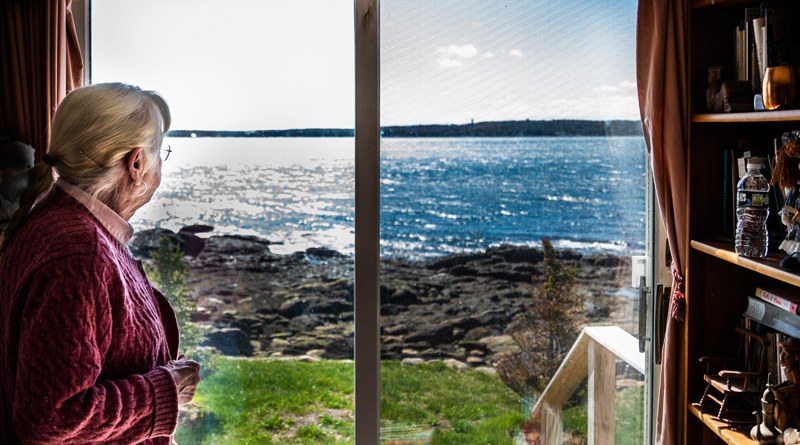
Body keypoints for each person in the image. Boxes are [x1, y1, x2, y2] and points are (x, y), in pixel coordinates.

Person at [0, 83, 200, 444]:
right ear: (136, 164)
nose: (159, 165)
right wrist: (165, 389)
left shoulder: (57, 221)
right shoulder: (79, 253)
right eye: (161, 153)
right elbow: (51, 418)